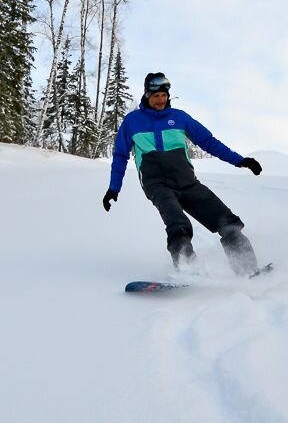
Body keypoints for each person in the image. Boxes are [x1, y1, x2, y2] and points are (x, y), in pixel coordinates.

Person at [102, 72, 263, 275]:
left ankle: (248, 269)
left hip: (188, 182)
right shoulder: (132, 122)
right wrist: (113, 189)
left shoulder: (179, 118)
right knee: (178, 224)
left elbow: (208, 142)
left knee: (226, 220)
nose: (160, 100)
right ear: (146, 95)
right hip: (157, 184)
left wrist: (240, 161)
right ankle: (187, 270)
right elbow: (120, 156)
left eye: (164, 95)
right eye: (155, 96)